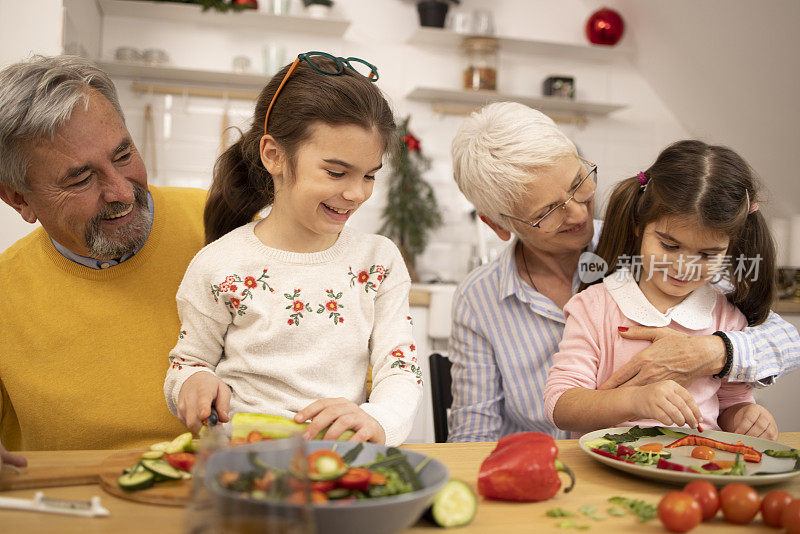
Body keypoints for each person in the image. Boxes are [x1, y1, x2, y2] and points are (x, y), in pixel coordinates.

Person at [447, 102, 800, 443]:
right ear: (497, 225)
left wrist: (713, 352)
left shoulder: (681, 255)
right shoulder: (480, 298)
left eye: (576, 183)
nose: (578, 213)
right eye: (549, 210)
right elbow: (474, 434)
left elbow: (785, 343)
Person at [163, 52, 422, 447]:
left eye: (369, 175)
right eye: (336, 172)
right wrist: (193, 382)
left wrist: (378, 419)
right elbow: (188, 362)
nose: (356, 193)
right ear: (274, 155)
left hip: (337, 460)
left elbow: (401, 369)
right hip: (240, 461)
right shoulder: (218, 264)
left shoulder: (378, 262)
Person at [0, 55, 208, 469]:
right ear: (18, 199)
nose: (122, 192)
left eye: (124, 154)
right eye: (80, 178)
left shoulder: (225, 228)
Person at [545, 140, 779, 439]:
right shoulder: (594, 306)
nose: (684, 267)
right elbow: (561, 406)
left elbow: (732, 404)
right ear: (639, 226)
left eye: (707, 254)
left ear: (730, 248)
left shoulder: (727, 318)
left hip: (698, 465)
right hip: (609, 466)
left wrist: (747, 416)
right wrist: (634, 400)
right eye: (669, 245)